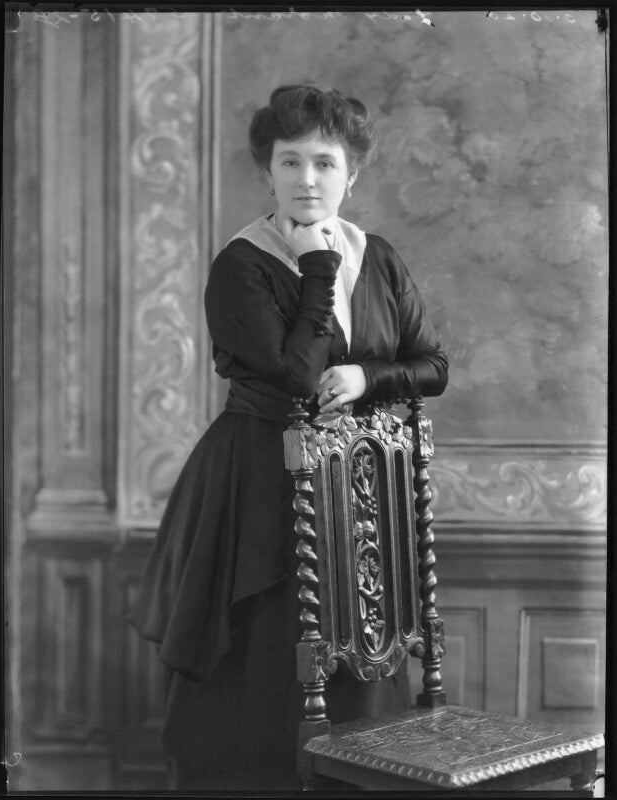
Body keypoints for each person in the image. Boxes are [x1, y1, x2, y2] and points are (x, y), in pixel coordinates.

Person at [128, 84, 448, 791]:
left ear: (351, 175)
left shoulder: (378, 257)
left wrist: (366, 378)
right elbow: (297, 379)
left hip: (356, 490)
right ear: (267, 172)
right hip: (257, 484)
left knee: (356, 650)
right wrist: (316, 268)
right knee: (270, 656)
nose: (308, 179)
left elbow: (433, 367)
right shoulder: (241, 265)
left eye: (325, 163)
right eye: (290, 162)